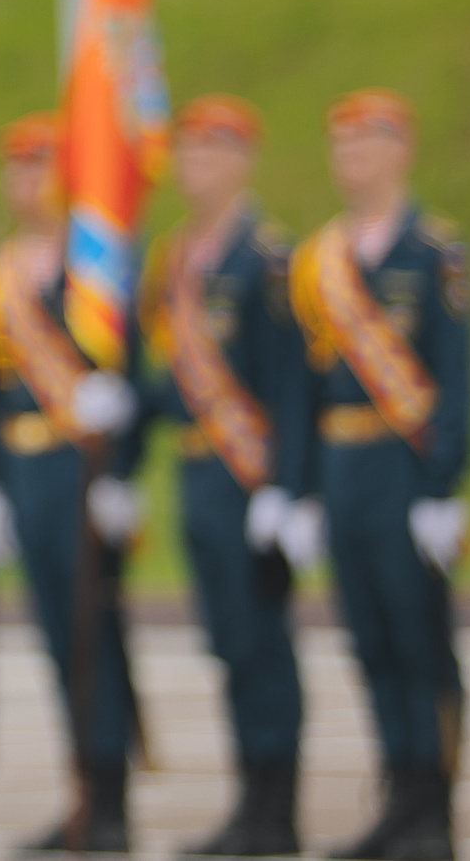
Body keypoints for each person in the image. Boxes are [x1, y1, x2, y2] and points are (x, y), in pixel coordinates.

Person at [291, 89, 470, 861]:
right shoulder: (320, 259)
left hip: (404, 462)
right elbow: (302, 387)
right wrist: (301, 487)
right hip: (344, 462)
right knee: (367, 635)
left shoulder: (433, 252)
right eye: (340, 146)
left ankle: (433, 803)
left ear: (401, 150)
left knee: (418, 635)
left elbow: (454, 378)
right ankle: (398, 792)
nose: (350, 160)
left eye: (365, 144)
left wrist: (441, 486)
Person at [136, 97, 308, 857]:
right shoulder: (176, 259)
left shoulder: (265, 258)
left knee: (263, 645)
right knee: (228, 642)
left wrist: (288, 485)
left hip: (250, 474)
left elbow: (291, 382)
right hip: (197, 473)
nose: (194, 165)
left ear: (243, 160)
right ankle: (250, 798)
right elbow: (175, 382)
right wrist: (130, 410)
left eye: (212, 151)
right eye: (188, 151)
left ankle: (276, 808)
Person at [0, 111, 144, 854]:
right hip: (29, 468)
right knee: (52, 637)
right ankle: (80, 789)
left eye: (40, 166)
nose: (25, 182)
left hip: (84, 468)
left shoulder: (96, 262)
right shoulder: (1, 271)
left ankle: (109, 799)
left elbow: (132, 372)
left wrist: (124, 467)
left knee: (92, 633)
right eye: (16, 168)